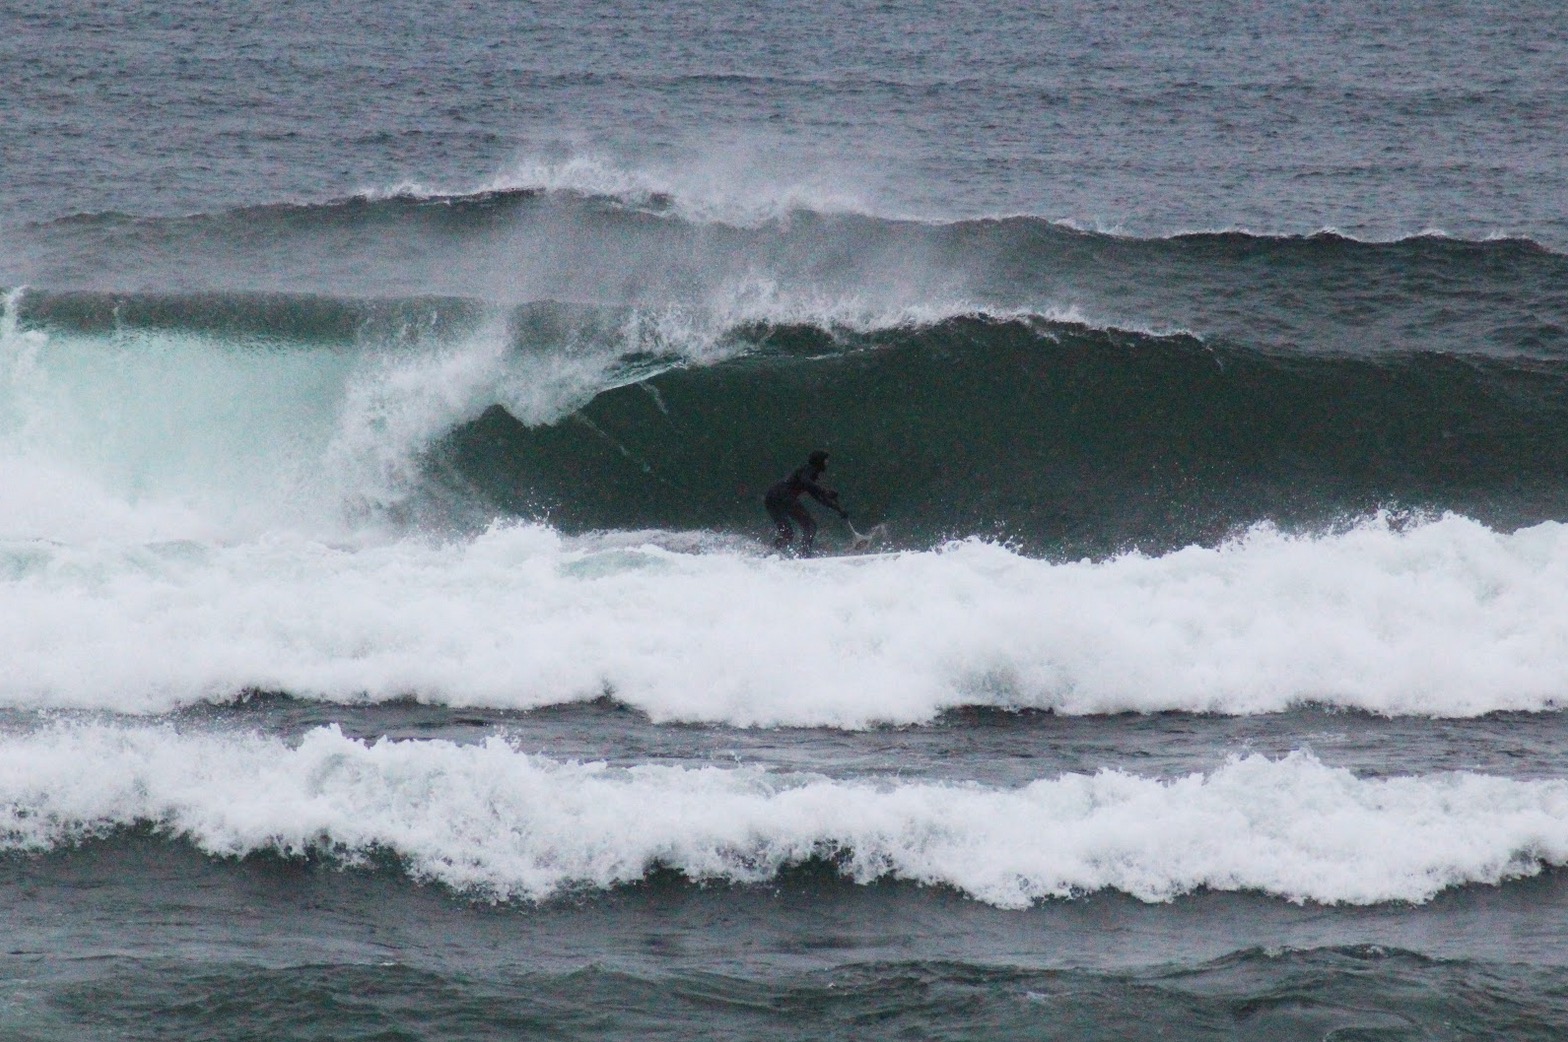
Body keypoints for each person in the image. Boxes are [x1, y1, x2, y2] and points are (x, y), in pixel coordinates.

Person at [764, 450, 848, 555]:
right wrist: (825, 491)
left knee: (788, 534)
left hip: (771, 499)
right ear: (819, 462)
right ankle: (805, 555)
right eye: (826, 460)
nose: (827, 463)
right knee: (810, 526)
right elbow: (806, 482)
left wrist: (838, 509)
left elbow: (818, 497)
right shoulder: (809, 469)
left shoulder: (807, 474)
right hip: (783, 496)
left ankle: (769, 556)